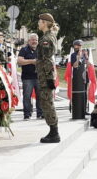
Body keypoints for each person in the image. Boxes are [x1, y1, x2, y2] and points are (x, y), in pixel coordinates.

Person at [37, 13, 60, 143]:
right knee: (47, 102)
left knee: (47, 103)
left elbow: (48, 60)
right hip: (45, 76)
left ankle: (54, 133)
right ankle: (53, 131)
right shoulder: (48, 36)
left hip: (46, 77)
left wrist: (50, 78)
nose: (38, 23)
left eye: (40, 21)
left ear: (45, 23)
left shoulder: (46, 38)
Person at [18, 33, 42, 120]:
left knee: (40, 96)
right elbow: (20, 61)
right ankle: (27, 114)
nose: (34, 41)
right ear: (29, 41)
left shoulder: (40, 50)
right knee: (27, 96)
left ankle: (40, 114)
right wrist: (32, 61)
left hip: (39, 76)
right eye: (32, 40)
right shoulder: (24, 50)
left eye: (36, 40)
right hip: (27, 77)